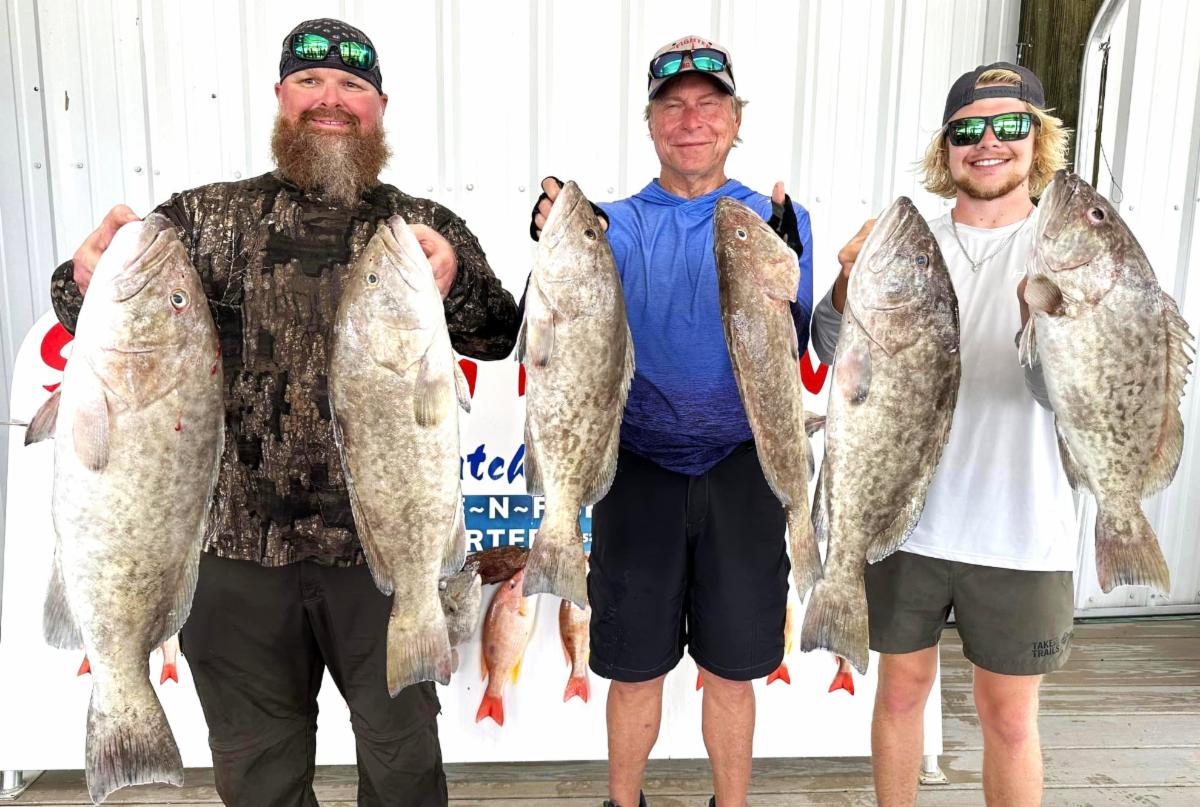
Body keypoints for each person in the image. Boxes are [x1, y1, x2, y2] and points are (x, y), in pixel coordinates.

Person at [50, 18, 519, 807]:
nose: (329, 99)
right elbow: (86, 310)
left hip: (382, 554)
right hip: (234, 555)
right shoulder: (201, 220)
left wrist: (455, 278)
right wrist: (84, 272)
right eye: (309, 81)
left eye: (352, 85)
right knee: (259, 777)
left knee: (405, 769)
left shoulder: (417, 229)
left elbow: (498, 331)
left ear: (379, 107)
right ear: (280, 96)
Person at [530, 35, 814, 807]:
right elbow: (561, 312)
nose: (691, 120)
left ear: (735, 119)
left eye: (709, 104)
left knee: (732, 670)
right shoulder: (614, 224)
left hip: (744, 467)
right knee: (633, 669)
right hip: (638, 468)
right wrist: (554, 228)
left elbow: (798, 342)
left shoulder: (774, 217)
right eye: (673, 106)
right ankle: (623, 803)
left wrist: (794, 272)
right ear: (651, 122)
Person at [810, 62, 1075, 807]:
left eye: (1009, 125)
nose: (987, 142)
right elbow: (831, 348)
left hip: (1024, 529)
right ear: (945, 146)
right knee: (900, 694)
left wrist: (1046, 327)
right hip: (905, 518)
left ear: (1038, 139)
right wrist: (845, 284)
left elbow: (1065, 394)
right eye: (967, 130)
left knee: (1010, 718)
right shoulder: (908, 241)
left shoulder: (1068, 249)